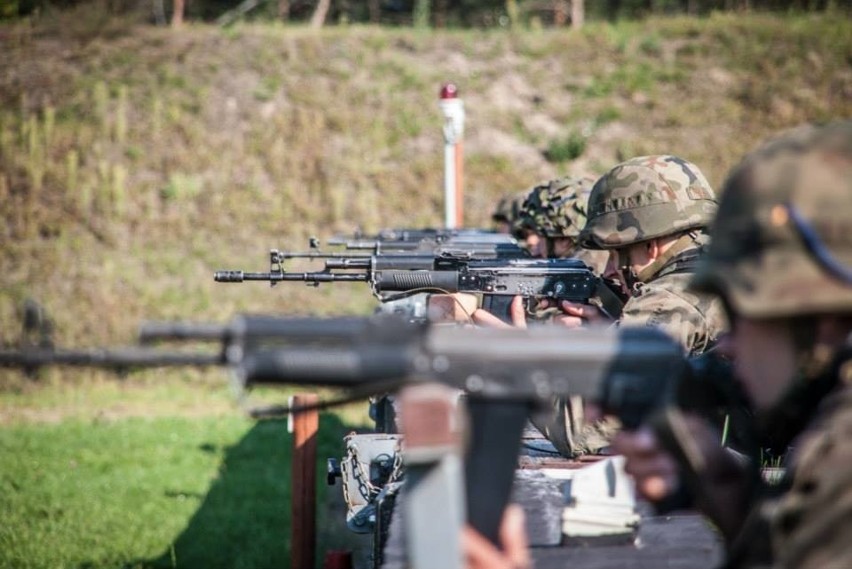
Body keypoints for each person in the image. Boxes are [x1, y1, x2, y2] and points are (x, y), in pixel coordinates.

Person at [467, 120, 852, 569]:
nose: (726, 342)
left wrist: (519, 363)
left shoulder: (838, 462)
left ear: (816, 315)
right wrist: (723, 488)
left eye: (745, 316)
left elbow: (581, 429)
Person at [512, 175, 609, 273]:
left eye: (539, 235)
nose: (531, 241)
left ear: (564, 241)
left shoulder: (579, 277)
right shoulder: (592, 267)